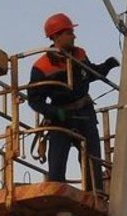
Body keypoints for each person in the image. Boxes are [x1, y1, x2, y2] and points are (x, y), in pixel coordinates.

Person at [26, 12, 119, 193]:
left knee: (92, 159)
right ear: (56, 36)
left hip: (84, 113)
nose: (74, 36)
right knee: (57, 163)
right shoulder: (42, 66)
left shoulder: (79, 54)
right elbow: (35, 100)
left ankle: (96, 195)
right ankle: (57, 195)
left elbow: (87, 74)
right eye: (69, 32)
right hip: (61, 117)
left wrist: (105, 67)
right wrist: (54, 112)